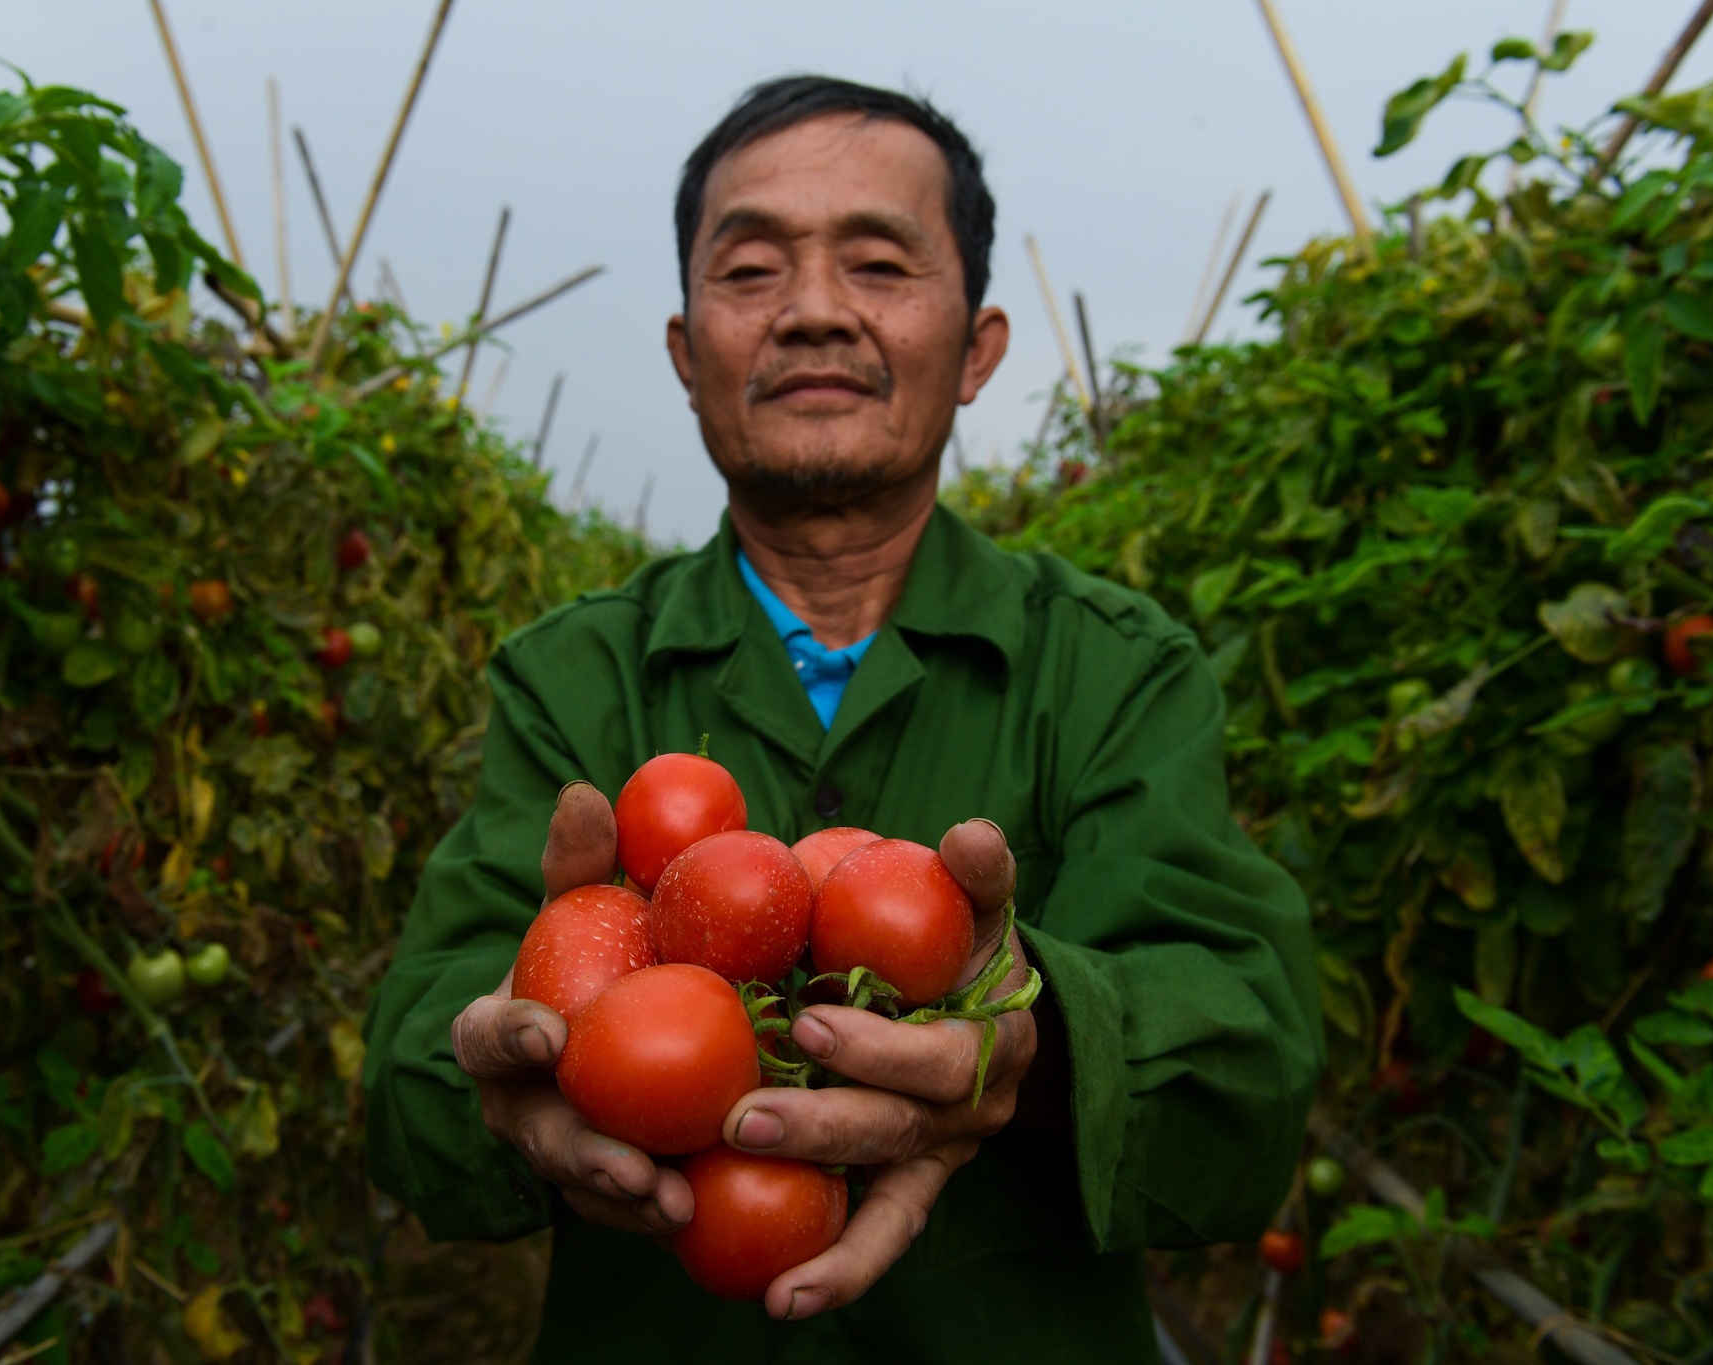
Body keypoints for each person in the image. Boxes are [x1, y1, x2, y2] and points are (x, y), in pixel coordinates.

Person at [365, 75, 1321, 1363]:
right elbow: (417, 1068)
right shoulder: (573, 674)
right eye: (751, 269)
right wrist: (509, 1069)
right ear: (684, 350)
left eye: (877, 262)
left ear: (976, 348)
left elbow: (1248, 1073)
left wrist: (1030, 1051)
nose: (814, 311)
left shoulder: (1116, 669)